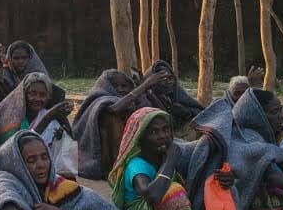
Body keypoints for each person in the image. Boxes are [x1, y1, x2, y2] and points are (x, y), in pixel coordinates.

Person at [71, 61, 201, 180]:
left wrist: (148, 92)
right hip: (121, 155)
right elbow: (114, 109)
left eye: (124, 86)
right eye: (116, 86)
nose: (121, 89)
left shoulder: (141, 99)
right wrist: (145, 85)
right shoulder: (102, 102)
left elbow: (162, 118)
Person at [0, 71, 78, 175]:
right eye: (32, 93)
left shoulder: (53, 122)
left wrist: (59, 138)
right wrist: (48, 117)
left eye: (42, 95)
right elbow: (18, 148)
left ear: (48, 97)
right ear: (24, 94)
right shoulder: (11, 117)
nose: (37, 99)